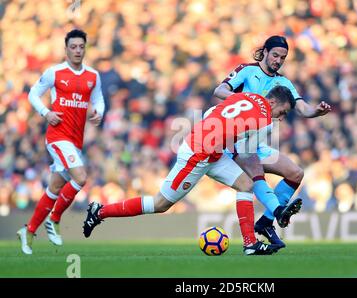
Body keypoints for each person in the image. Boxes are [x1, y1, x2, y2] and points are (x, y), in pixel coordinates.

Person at [83, 86, 302, 255]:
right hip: (198, 156)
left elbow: (211, 112)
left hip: (209, 150)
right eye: (282, 112)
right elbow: (248, 154)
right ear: (272, 101)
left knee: (245, 184)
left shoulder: (243, 96)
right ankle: (100, 211)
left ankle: (250, 244)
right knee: (161, 204)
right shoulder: (264, 121)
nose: (280, 118)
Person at [213, 35, 331, 248]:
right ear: (265, 52)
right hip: (236, 139)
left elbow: (302, 107)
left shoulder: (283, 82)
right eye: (275, 55)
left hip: (256, 143)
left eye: (282, 58)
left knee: (296, 173)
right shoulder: (247, 71)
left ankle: (266, 222)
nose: (278, 60)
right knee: (256, 173)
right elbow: (220, 90)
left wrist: (316, 111)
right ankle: (277, 211)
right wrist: (249, 101)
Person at [17, 29, 105, 255]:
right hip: (57, 137)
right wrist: (46, 113)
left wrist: (99, 112)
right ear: (66, 49)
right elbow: (33, 94)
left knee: (55, 187)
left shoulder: (93, 76)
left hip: (76, 141)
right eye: (73, 47)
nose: (77, 50)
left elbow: (98, 100)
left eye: (81, 47)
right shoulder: (54, 73)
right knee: (81, 177)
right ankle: (54, 219)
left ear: (85, 48)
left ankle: (28, 230)